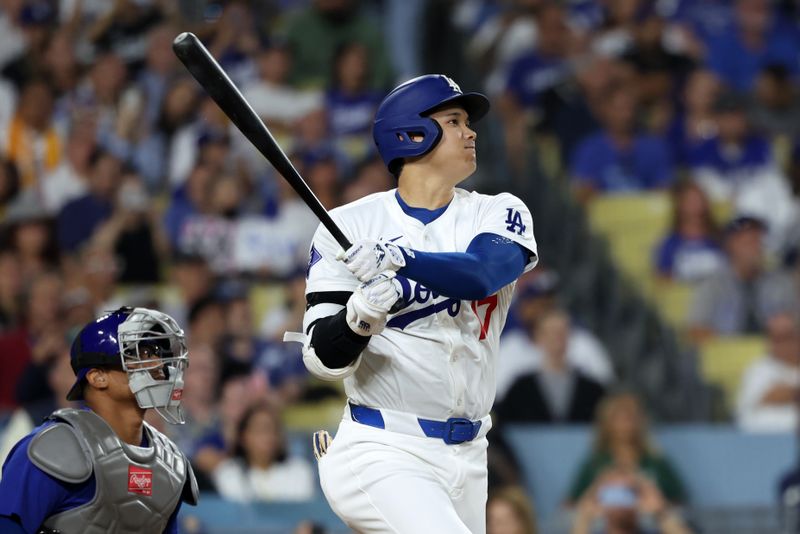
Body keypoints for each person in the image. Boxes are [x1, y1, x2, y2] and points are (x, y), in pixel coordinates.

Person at [292, 74, 538, 533]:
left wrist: (400, 261)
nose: (471, 132)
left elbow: (482, 273)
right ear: (411, 134)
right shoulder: (348, 226)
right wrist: (360, 318)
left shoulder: (497, 211)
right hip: (383, 446)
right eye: (454, 120)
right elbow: (322, 358)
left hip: (469, 455)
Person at [0, 306, 198, 533]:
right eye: (139, 354)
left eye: (157, 354)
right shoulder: (54, 449)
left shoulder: (171, 462)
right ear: (97, 377)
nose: (157, 365)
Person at [567, 393, 686, 508]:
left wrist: (644, 487)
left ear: (641, 421)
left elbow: (679, 503)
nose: (625, 424)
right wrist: (600, 485)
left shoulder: (655, 462)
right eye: (618, 418)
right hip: (602, 525)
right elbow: (569, 505)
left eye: (630, 417)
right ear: (606, 423)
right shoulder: (595, 463)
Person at [495, 308, 606, 424]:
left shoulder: (592, 390)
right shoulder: (519, 389)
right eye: (551, 333)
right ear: (538, 337)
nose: (557, 339)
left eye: (562, 332)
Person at [212, 401, 315, 502]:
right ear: (243, 437)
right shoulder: (229, 473)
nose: (268, 437)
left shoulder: (300, 471)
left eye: (274, 430)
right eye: (260, 430)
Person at [737, 310, 800, 432]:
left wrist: (788, 394)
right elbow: (745, 419)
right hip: (766, 440)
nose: (782, 345)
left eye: (787, 338)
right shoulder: (757, 369)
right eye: (776, 339)